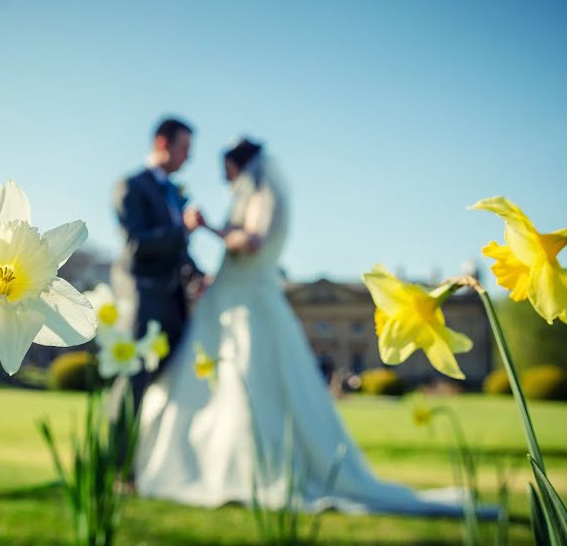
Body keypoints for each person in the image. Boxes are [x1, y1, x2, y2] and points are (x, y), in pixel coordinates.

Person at [134, 138, 470, 515]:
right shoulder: (259, 192)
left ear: (238, 165)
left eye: (225, 168)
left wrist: (210, 226)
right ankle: (219, 467)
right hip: (230, 299)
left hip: (249, 301)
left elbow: (254, 242)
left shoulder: (262, 192)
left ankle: (245, 471)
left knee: (248, 382)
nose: (221, 176)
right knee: (230, 382)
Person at [111, 116, 206, 448]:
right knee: (133, 379)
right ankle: (118, 467)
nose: (188, 158)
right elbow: (137, 243)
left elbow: (180, 250)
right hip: (142, 295)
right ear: (163, 144)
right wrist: (182, 229)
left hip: (173, 302)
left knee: (174, 375)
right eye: (185, 148)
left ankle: (157, 457)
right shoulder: (132, 186)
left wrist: (197, 275)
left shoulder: (173, 193)